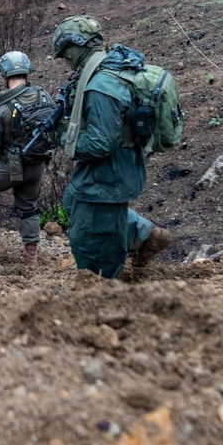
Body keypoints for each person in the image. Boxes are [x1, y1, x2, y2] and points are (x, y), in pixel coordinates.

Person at [51, 17, 173, 278]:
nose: (66, 60)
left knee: (90, 240)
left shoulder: (100, 86)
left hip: (107, 174)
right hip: (112, 167)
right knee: (72, 201)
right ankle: (144, 234)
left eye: (65, 54)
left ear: (76, 46)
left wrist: (65, 139)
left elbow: (100, 143)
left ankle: (104, 288)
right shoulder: (103, 72)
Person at [0, 50, 55, 264]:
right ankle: (31, 257)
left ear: (4, 73)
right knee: (28, 208)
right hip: (37, 163)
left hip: (9, 166)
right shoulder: (44, 96)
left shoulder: (1, 106)